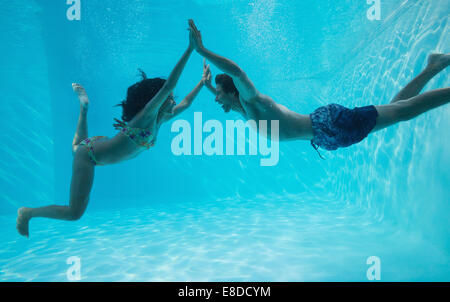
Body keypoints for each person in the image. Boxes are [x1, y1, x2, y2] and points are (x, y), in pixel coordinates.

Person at [16, 27, 210, 237]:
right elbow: (169, 84)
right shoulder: (144, 117)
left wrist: (202, 82)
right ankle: (28, 213)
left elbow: (186, 103)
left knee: (76, 148)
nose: (172, 100)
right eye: (169, 98)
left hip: (98, 146)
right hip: (90, 155)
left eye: (171, 98)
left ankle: (84, 107)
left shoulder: (160, 119)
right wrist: (190, 49)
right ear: (156, 100)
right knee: (74, 212)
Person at [189, 19, 450, 158]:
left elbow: (237, 73)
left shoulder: (252, 101)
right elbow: (225, 97)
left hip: (328, 126)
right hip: (324, 136)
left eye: (220, 94)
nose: (216, 99)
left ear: (233, 92)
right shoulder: (243, 110)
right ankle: (433, 67)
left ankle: (437, 71)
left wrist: (202, 50)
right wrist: (206, 85)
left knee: (401, 112)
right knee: (396, 110)